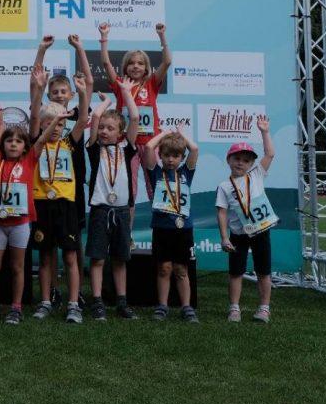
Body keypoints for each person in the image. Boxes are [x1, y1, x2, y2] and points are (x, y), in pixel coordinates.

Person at [0, 104, 69, 326]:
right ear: (3, 144)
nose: (13, 144)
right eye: (9, 141)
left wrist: (56, 120)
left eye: (18, 141)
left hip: (20, 223)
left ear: (25, 146)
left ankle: (15, 308)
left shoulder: (29, 160)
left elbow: (43, 139)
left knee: (17, 267)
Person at [29, 34, 94, 313]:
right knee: (45, 256)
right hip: (42, 203)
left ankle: (73, 302)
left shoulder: (70, 140)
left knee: (71, 255)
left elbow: (81, 115)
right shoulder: (37, 141)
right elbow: (34, 111)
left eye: (58, 123)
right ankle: (46, 300)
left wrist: (81, 91)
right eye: (49, 123)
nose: (55, 127)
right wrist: (42, 51)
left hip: (67, 203)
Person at [85, 80, 141, 320]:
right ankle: (97, 301)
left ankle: (121, 302)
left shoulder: (126, 148)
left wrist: (126, 93)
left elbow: (135, 118)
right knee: (98, 258)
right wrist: (106, 102)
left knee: (119, 259)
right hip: (100, 209)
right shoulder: (94, 148)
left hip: (121, 210)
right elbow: (95, 117)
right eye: (102, 128)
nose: (104, 131)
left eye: (110, 128)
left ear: (120, 133)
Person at [98, 22, 171, 198]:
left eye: (140, 63)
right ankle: (126, 226)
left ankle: (159, 225)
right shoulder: (120, 84)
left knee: (154, 187)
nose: (136, 66)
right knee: (129, 191)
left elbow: (167, 61)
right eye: (131, 63)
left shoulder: (152, 83)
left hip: (149, 144)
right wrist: (104, 37)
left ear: (146, 68)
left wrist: (162, 37)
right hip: (126, 143)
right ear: (125, 67)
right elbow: (106, 64)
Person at [216, 115, 277, 323]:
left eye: (245, 160)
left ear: (251, 163)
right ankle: (234, 308)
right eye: (237, 159)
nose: (240, 163)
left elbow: (270, 153)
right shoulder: (224, 186)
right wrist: (225, 238)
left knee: (263, 270)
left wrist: (264, 131)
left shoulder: (257, 174)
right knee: (235, 272)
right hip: (238, 235)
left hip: (261, 231)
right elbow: (222, 212)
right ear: (229, 160)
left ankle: (264, 308)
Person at [142, 128, 200, 323]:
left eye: (175, 156)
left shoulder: (186, 173)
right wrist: (166, 132)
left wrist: (181, 135)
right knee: (164, 268)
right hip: (161, 228)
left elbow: (194, 148)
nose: (170, 160)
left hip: (183, 229)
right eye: (166, 155)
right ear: (161, 155)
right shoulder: (155, 173)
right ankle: (162, 306)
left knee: (181, 269)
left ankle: (186, 306)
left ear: (181, 158)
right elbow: (149, 146)